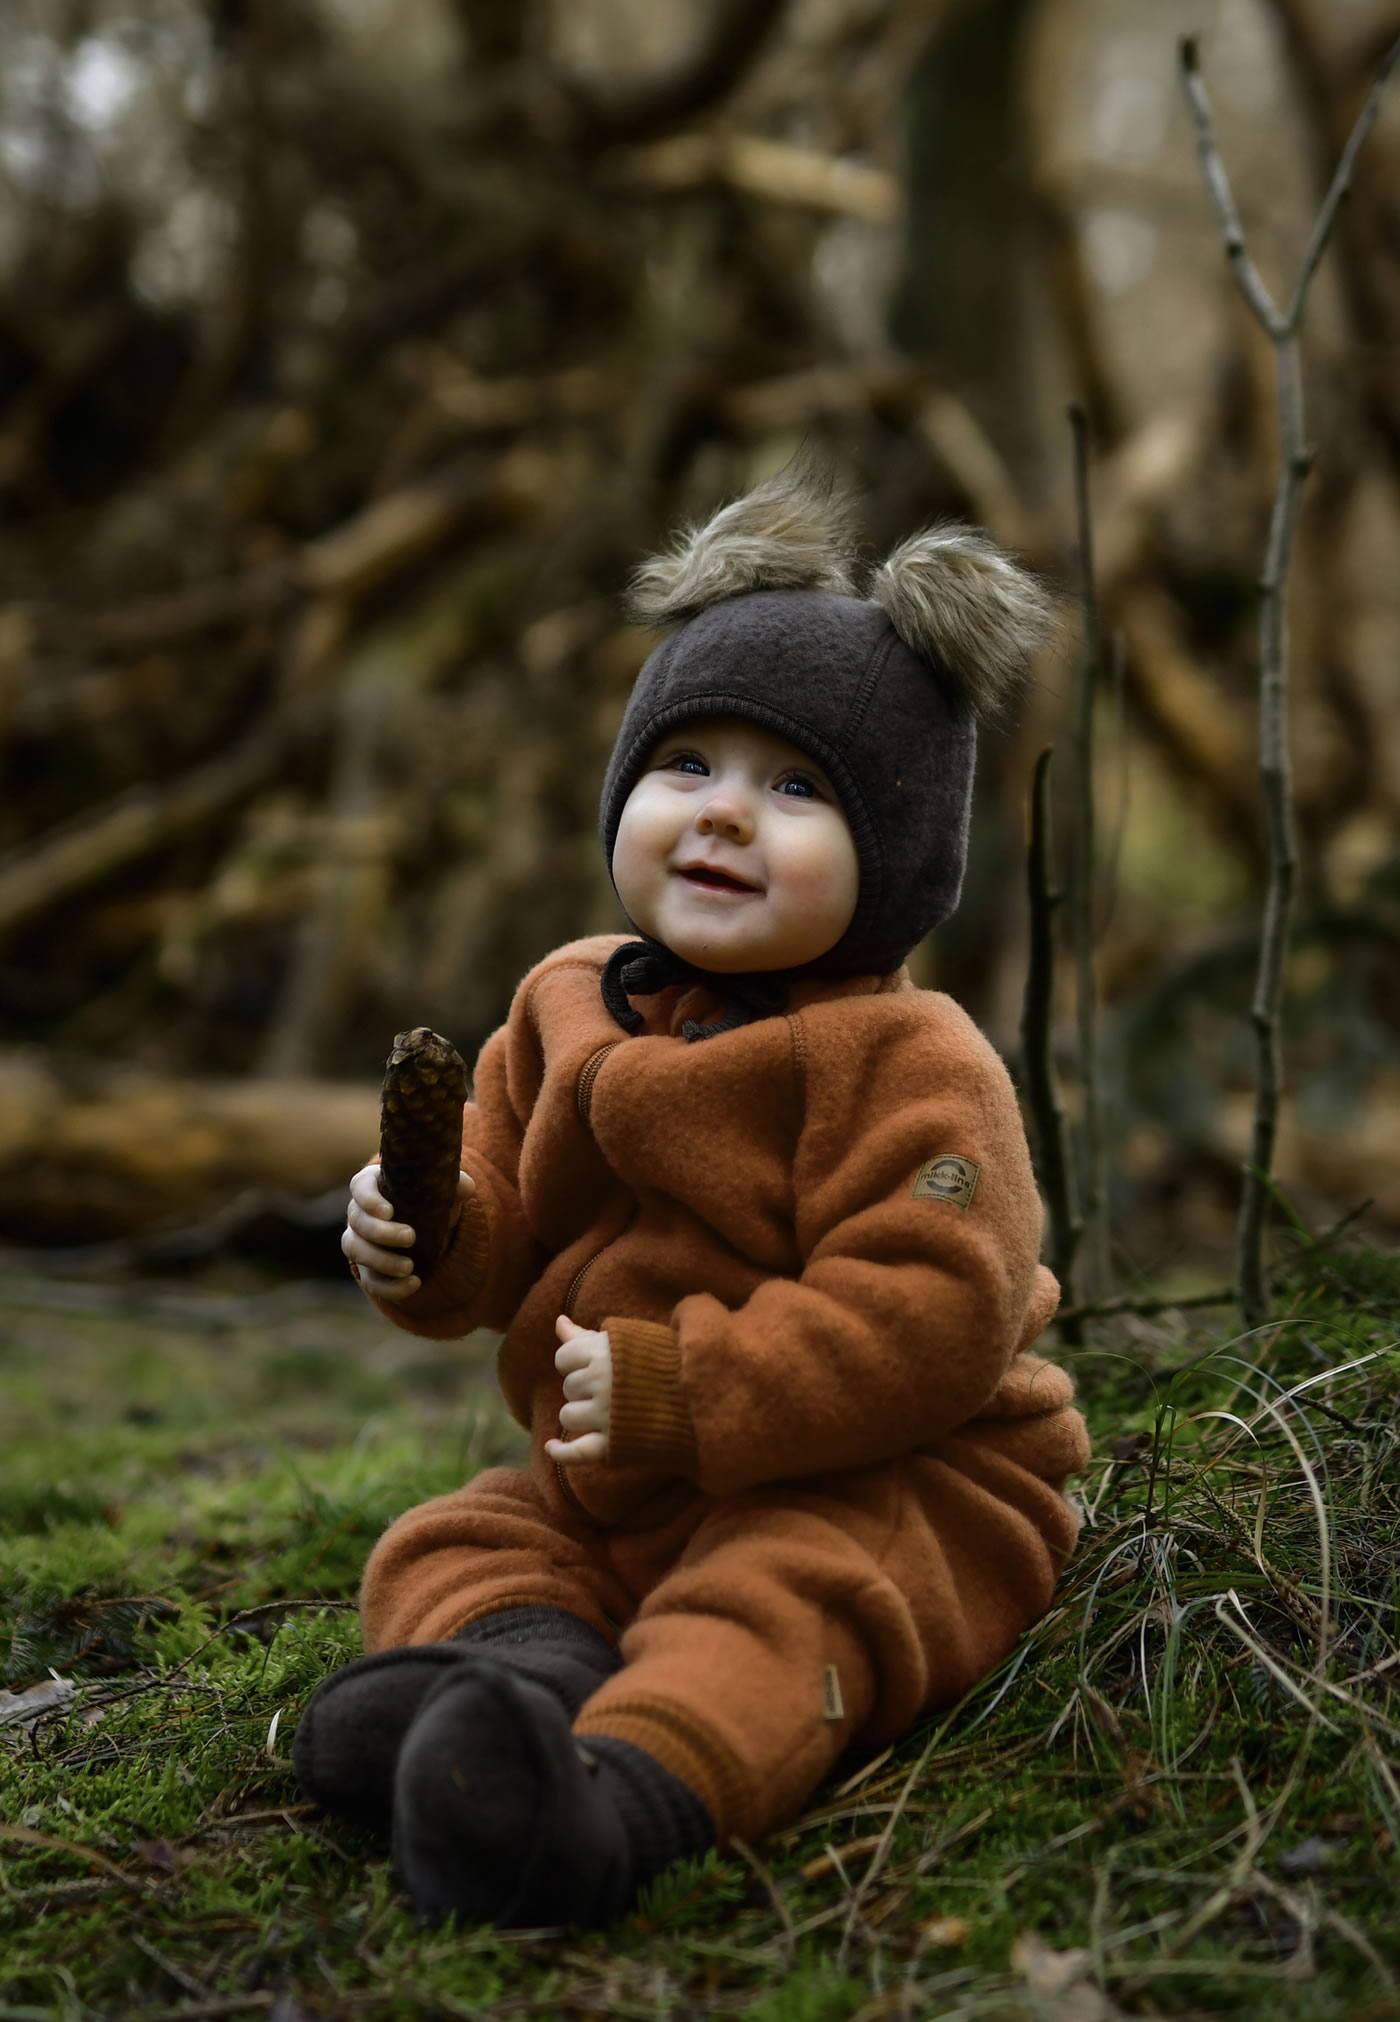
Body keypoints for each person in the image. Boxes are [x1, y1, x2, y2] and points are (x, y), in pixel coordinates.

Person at [292, 464, 1091, 1930]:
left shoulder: (908, 1063)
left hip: (882, 1482)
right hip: (623, 1482)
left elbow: (931, 1314)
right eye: (687, 764)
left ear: (901, 848)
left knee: (777, 1606)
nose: (725, 813)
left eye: (796, 788)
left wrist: (684, 1385)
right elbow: (502, 1217)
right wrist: (424, 1232)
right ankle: (522, 1692)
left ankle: (613, 1804)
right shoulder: (566, 999)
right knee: (456, 1540)